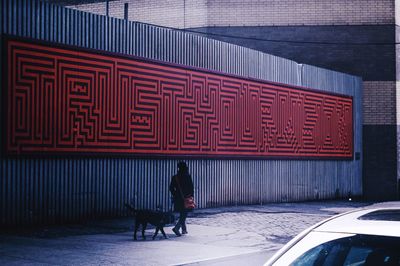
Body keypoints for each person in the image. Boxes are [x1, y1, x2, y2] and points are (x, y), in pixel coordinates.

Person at [169, 161, 194, 236]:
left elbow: (171, 188)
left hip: (178, 199)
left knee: (182, 213)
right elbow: (191, 188)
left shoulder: (175, 177)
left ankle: (184, 229)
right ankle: (176, 228)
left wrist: (175, 195)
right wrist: (191, 196)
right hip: (186, 198)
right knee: (184, 214)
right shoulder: (188, 176)